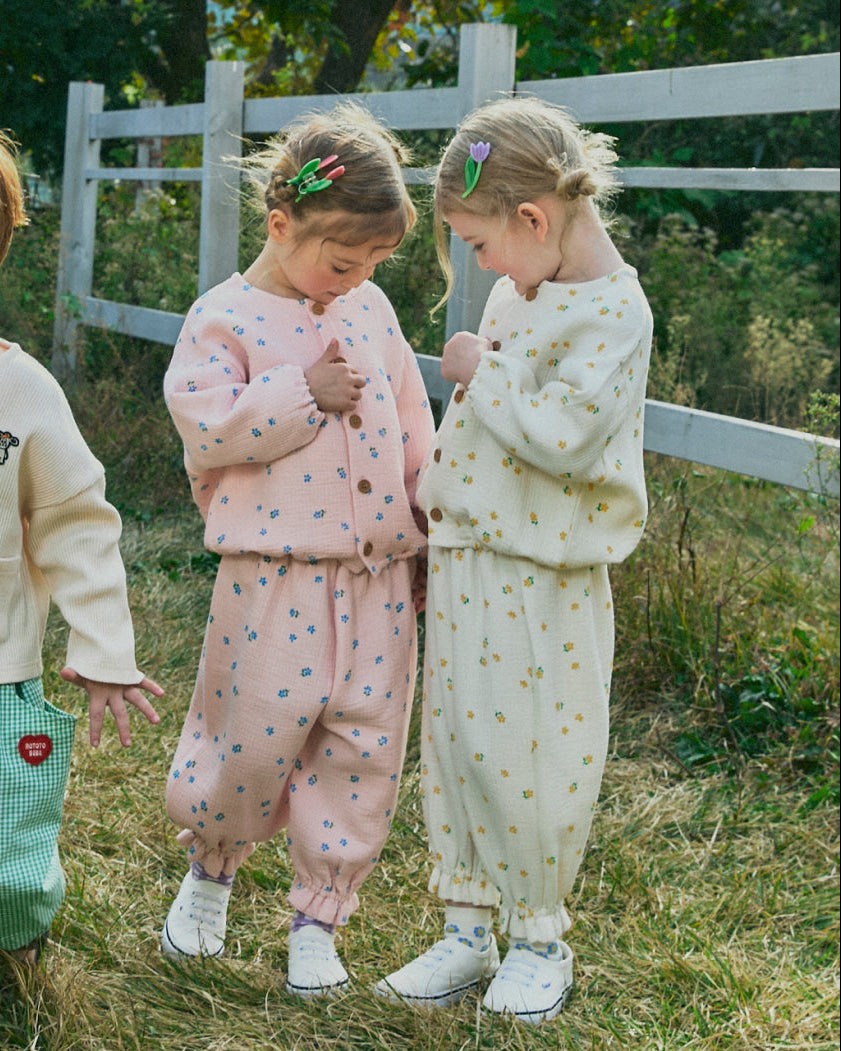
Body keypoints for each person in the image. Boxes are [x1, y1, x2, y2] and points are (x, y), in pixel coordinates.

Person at [375, 97, 652, 1024]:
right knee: (455, 742)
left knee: (532, 749)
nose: (478, 265)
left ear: (532, 219)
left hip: (545, 572)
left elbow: (566, 437)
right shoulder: (515, 289)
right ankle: (465, 925)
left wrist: (478, 372)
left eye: (477, 242)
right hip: (469, 556)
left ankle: (538, 934)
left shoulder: (614, 312)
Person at [159, 102, 435, 998]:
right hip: (272, 575)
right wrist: (298, 393)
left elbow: (410, 424)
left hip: (378, 578)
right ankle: (211, 872)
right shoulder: (225, 316)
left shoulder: (370, 308)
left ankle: (318, 914)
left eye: (373, 265)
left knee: (361, 745)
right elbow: (207, 428)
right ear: (281, 225)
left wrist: (425, 527)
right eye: (342, 261)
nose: (353, 280)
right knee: (249, 736)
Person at [0, 132, 163, 968]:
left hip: (1, 672)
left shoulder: (20, 388)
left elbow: (75, 521)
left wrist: (104, 651)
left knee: (9, 853)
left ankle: (21, 952)